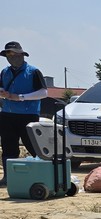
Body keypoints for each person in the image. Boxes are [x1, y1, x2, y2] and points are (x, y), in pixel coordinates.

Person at [0, 41, 47, 186]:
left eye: (13, 54)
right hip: (7, 114)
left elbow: (44, 92)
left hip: (28, 115)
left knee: (33, 145)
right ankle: (8, 177)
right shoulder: (4, 72)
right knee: (8, 146)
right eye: (8, 54)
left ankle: (43, 174)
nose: (11, 57)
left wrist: (21, 97)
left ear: (21, 54)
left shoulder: (33, 71)